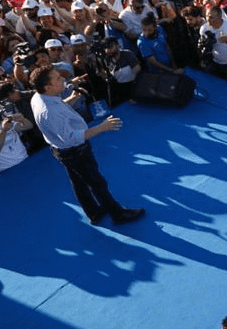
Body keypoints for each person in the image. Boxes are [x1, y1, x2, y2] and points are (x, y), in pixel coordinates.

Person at [29, 67, 144, 226]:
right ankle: (118, 214)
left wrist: (72, 99)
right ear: (47, 87)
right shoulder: (49, 111)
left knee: (79, 182)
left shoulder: (39, 97)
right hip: (75, 151)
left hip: (62, 150)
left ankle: (93, 212)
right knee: (97, 183)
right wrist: (102, 127)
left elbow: (59, 109)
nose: (63, 79)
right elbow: (71, 138)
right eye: (57, 78)